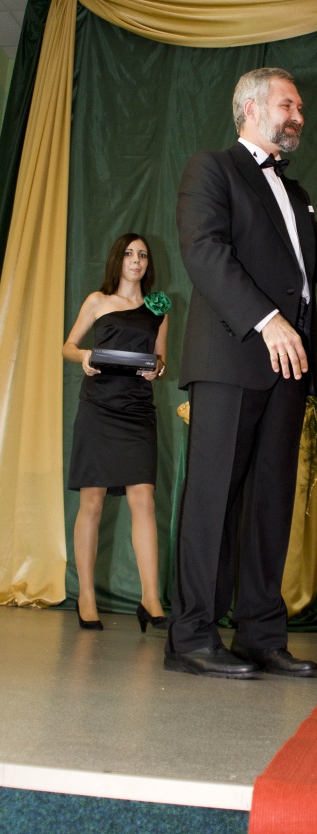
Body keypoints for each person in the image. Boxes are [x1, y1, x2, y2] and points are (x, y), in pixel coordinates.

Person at [165, 67, 317, 680]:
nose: (299, 117)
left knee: (269, 504)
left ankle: (260, 636)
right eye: (289, 105)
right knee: (213, 500)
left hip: (290, 366)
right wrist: (266, 321)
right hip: (232, 358)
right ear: (252, 108)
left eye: (300, 108)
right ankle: (192, 637)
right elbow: (204, 251)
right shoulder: (212, 169)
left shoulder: (296, 190)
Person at [63, 233, 170, 632]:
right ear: (117, 260)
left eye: (142, 255)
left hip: (137, 410)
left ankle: (150, 598)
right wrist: (84, 355)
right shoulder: (97, 301)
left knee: (144, 499)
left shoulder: (159, 307)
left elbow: (161, 360)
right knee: (92, 501)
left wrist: (157, 369)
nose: (136, 260)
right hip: (98, 408)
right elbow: (68, 346)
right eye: (129, 253)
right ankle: (86, 597)